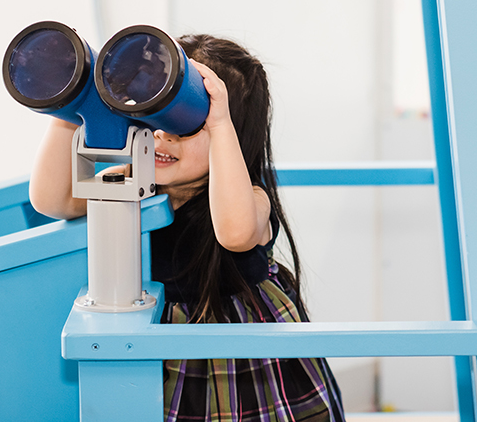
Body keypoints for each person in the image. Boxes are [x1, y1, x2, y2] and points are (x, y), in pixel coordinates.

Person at [29, 34, 345, 422]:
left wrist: (220, 120)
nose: (162, 133)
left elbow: (235, 233)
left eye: (186, 121)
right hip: (158, 347)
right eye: (150, 110)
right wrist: (74, 101)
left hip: (243, 362)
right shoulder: (128, 181)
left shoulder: (251, 199)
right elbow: (52, 201)